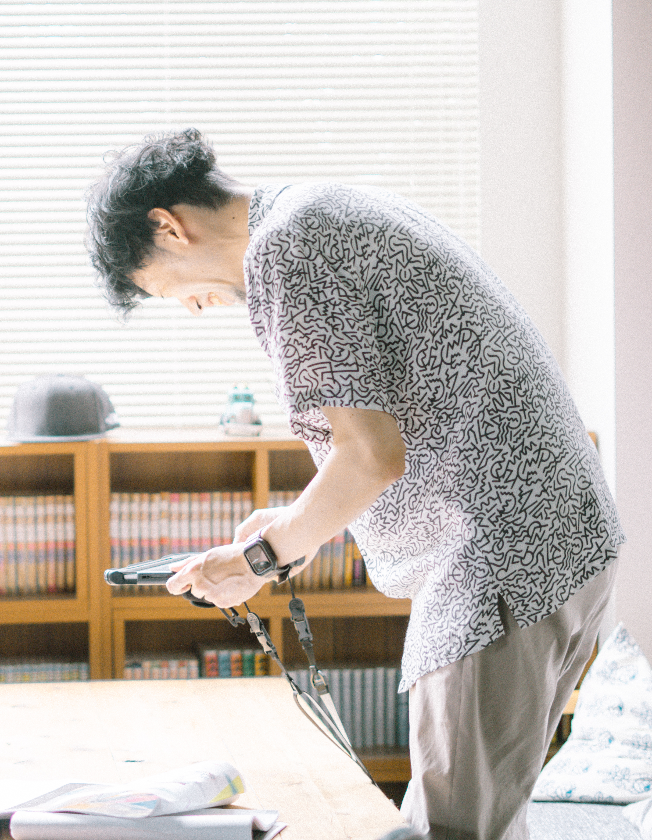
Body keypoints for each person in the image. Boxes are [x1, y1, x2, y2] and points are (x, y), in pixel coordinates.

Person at [84, 129, 623, 840]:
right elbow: (388, 434)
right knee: (489, 819)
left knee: (453, 831)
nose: (190, 305)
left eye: (166, 288)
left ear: (169, 228)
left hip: (499, 559)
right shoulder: (317, 211)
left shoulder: (287, 248)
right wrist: (294, 527)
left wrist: (259, 560)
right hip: (561, 539)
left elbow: (370, 458)